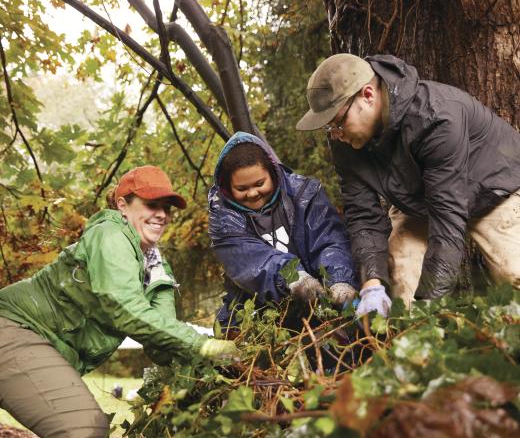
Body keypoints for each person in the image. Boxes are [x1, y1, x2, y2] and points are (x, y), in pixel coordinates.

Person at [0, 165, 239, 438]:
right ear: (123, 205)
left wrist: (215, 369)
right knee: (82, 428)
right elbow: (124, 308)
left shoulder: (157, 269)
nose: (161, 214)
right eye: (151, 205)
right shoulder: (109, 234)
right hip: (15, 330)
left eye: (167, 208)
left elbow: (161, 345)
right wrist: (203, 344)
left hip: (38, 344)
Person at [296, 53, 520, 310]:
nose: (336, 135)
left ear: (367, 95)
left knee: (515, 272)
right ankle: (413, 344)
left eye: (338, 122)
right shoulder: (345, 138)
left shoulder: (436, 117)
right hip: (420, 198)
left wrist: (428, 307)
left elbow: (446, 222)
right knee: (401, 274)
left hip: (494, 190)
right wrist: (372, 284)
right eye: (329, 128)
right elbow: (362, 216)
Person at [208, 131, 358, 334]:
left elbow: (329, 240)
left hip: (320, 297)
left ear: (272, 172)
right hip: (260, 310)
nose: (253, 193)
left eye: (259, 183)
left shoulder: (305, 192)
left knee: (358, 327)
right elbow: (251, 260)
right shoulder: (222, 218)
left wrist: (340, 278)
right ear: (228, 186)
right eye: (242, 188)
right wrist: (291, 276)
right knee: (229, 341)